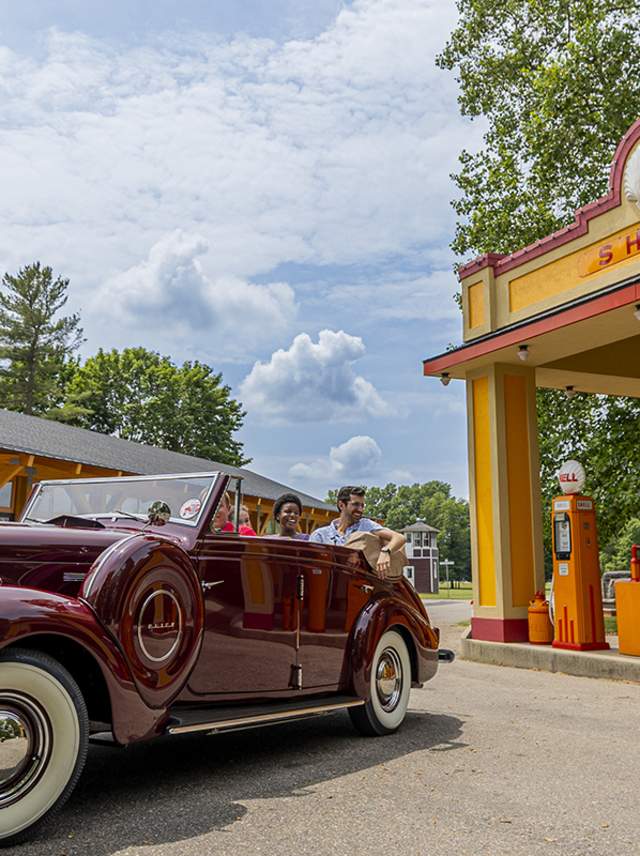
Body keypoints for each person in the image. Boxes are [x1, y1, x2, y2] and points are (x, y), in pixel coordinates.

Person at [309, 485, 405, 576]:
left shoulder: (366, 525)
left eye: (362, 505)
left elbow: (399, 537)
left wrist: (386, 552)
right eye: (356, 505)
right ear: (341, 505)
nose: (360, 510)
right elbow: (313, 569)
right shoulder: (319, 536)